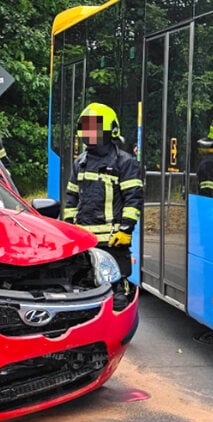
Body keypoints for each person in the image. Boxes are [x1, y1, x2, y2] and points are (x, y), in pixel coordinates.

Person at [64, 103, 143, 302]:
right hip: (84, 243)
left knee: (115, 298)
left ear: (110, 132)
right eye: (86, 128)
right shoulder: (80, 162)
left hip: (113, 242)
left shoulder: (125, 163)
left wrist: (126, 230)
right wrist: (69, 230)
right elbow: (71, 199)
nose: (89, 134)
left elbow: (133, 200)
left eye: (95, 129)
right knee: (82, 293)